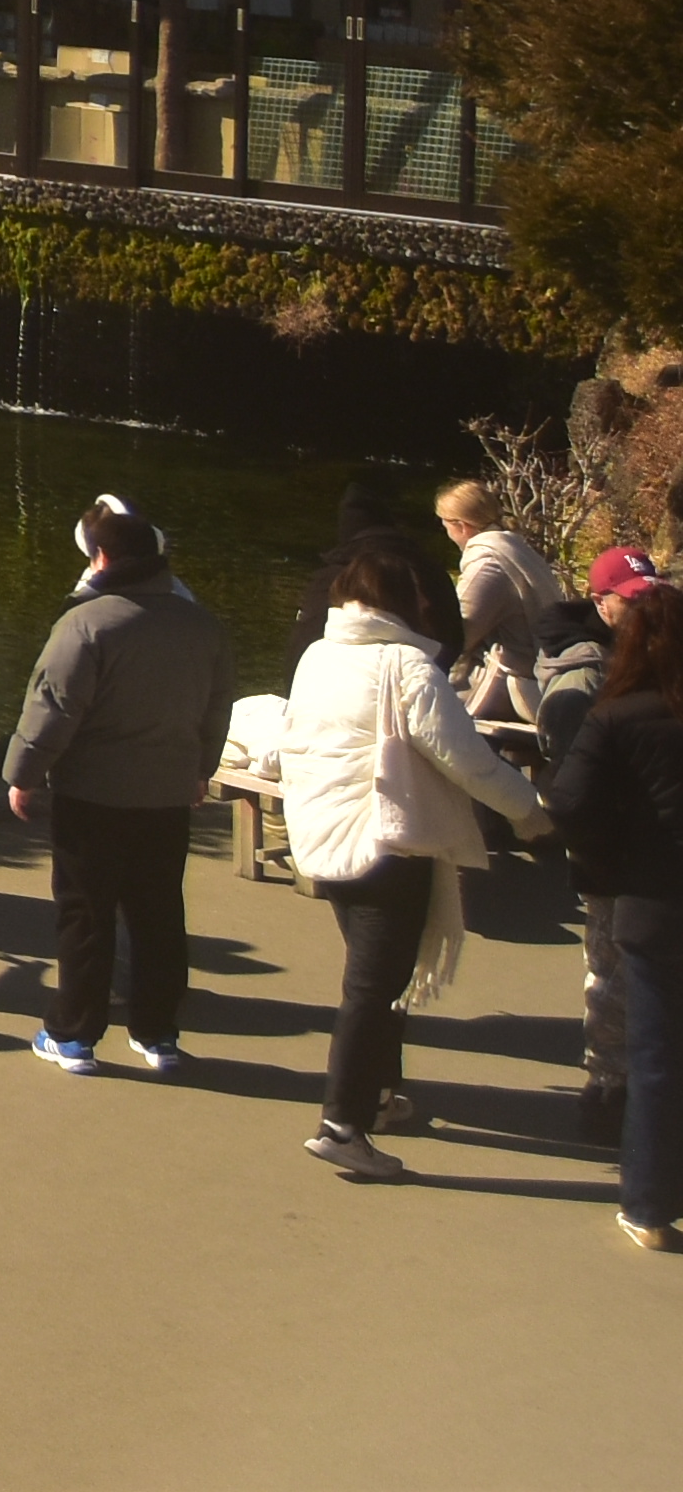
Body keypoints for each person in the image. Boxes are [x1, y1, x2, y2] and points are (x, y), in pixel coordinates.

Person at [279, 532, 542, 1177]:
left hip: (324, 838)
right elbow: (468, 761)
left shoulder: (318, 656)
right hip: (388, 844)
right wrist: (532, 813)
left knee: (377, 983)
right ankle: (342, 1125)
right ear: (402, 602)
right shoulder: (408, 668)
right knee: (372, 991)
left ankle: (377, 1096)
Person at [4, 493, 228, 1075]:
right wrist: (201, 769)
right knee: (159, 914)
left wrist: (23, 774)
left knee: (86, 912)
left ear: (100, 558)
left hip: (93, 792)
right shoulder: (200, 624)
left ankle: (74, 1034)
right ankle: (158, 1034)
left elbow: (53, 708)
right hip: (166, 792)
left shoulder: (86, 622)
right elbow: (215, 708)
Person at [545, 583, 683, 1252]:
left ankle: (648, 1205)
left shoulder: (613, 718)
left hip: (651, 901)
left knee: (654, 1059)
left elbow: (569, 803)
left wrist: (608, 857)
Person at [439, 481, 549, 713]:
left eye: (446, 526)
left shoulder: (488, 565)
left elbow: (457, 635)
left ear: (462, 527)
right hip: (534, 670)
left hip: (515, 683)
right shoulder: (516, 548)